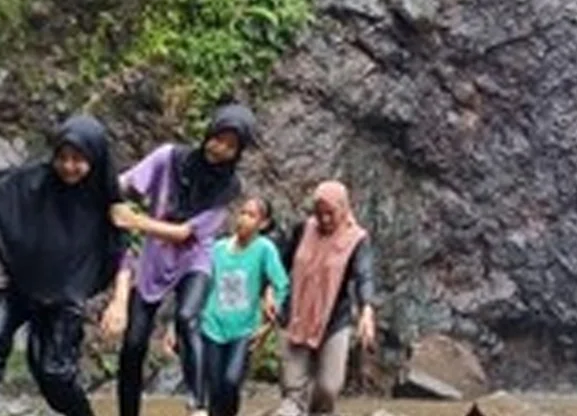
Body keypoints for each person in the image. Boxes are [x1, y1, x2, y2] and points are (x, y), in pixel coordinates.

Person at [0, 116, 125, 416]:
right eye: (63, 158)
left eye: (78, 160)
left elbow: (122, 252)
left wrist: (119, 302)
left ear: (94, 159)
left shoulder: (105, 199)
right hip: (22, 285)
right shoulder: (36, 179)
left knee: (53, 373)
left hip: (64, 296)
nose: (68, 166)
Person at [104, 104, 258, 416]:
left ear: (238, 152)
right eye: (218, 138)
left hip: (194, 259)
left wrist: (135, 221)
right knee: (134, 343)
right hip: (154, 259)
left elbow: (184, 233)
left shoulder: (229, 187)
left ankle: (197, 405)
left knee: (188, 317)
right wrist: (101, 192)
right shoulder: (169, 158)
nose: (220, 149)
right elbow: (126, 184)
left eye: (231, 146)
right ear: (208, 134)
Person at [277, 181, 377, 416]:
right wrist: (271, 291)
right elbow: (280, 263)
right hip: (297, 314)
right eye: (319, 213)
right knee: (292, 392)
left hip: (334, 319)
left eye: (330, 213)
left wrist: (366, 309)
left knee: (329, 388)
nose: (324, 219)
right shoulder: (303, 229)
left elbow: (364, 275)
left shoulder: (357, 239)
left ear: (344, 208)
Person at [202, 196, 290, 416]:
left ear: (263, 223)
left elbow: (281, 284)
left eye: (251, 215)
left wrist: (269, 323)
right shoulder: (217, 249)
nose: (243, 219)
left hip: (244, 330)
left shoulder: (265, 249)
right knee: (214, 388)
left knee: (231, 381)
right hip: (212, 325)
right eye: (242, 213)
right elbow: (202, 284)